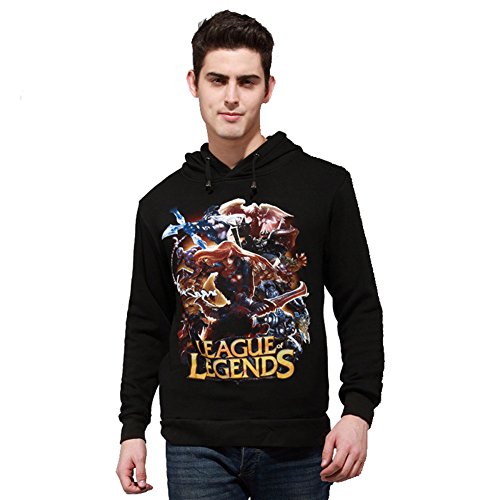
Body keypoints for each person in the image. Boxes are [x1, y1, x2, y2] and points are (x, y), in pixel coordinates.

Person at [116, 9, 384, 499]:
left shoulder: (324, 186)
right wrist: (133, 426)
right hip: (196, 443)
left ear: (269, 88)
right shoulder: (159, 203)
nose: (232, 97)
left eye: (247, 81)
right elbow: (147, 321)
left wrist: (358, 411)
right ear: (194, 83)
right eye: (217, 80)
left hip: (298, 442)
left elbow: (359, 305)